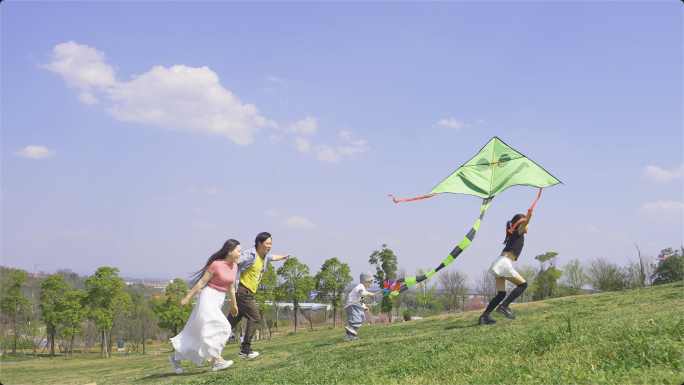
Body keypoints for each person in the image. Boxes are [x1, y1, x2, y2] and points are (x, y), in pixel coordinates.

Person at [168, 239, 241, 374]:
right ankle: (216, 361)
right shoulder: (216, 265)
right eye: (238, 251)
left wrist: (234, 304)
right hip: (208, 297)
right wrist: (187, 297)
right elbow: (201, 283)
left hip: (219, 299)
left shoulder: (234, 266)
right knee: (224, 327)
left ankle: (175, 357)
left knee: (200, 333)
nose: (240, 254)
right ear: (230, 252)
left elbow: (231, 287)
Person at [227, 232, 291, 359]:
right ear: (259, 243)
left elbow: (273, 257)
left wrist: (283, 257)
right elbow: (237, 260)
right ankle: (245, 349)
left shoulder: (265, 257)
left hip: (247, 293)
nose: (270, 246)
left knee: (228, 324)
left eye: (271, 244)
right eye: (267, 243)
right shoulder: (250, 255)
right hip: (242, 291)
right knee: (255, 317)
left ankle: (210, 344)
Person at [479, 212, 532, 325]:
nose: (528, 226)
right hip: (504, 263)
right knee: (523, 285)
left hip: (499, 262)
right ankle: (504, 306)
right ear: (520, 225)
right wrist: (529, 216)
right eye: (527, 224)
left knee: (501, 294)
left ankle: (484, 317)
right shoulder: (518, 232)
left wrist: (527, 218)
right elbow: (524, 224)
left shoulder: (514, 233)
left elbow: (523, 224)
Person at [344, 271, 381, 341]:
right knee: (356, 320)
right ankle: (349, 326)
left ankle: (350, 337)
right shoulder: (360, 287)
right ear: (366, 280)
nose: (371, 283)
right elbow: (360, 292)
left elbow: (360, 301)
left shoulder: (362, 287)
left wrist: (364, 307)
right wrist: (368, 294)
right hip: (352, 306)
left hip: (357, 306)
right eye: (371, 281)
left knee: (362, 319)